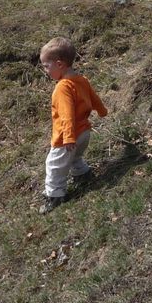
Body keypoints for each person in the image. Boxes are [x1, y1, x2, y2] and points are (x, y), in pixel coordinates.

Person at [38, 37, 108, 213]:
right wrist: (102, 110)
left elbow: (66, 116)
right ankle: (82, 174)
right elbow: (93, 97)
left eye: (46, 66)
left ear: (59, 64)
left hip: (68, 137)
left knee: (53, 166)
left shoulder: (63, 87)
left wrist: (68, 137)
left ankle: (54, 196)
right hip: (84, 132)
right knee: (75, 157)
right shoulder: (81, 80)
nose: (45, 70)